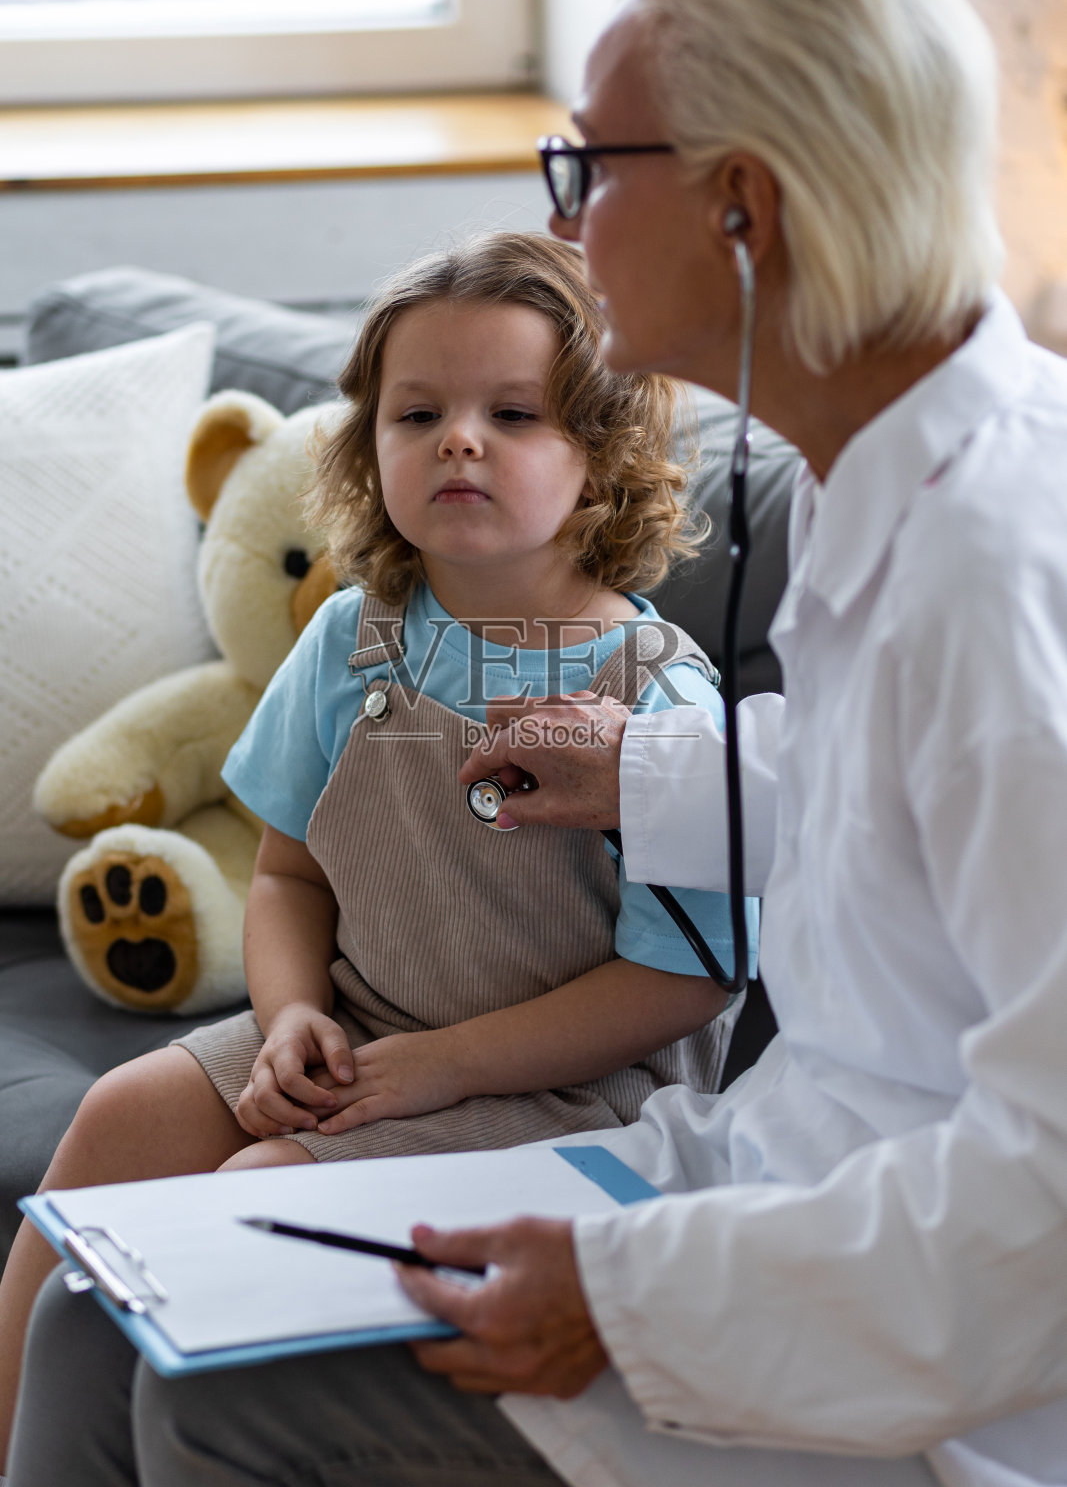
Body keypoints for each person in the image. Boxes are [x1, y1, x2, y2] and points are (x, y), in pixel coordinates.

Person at [7, 0, 1067, 1485]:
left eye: (589, 169)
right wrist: (650, 773)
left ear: (740, 205)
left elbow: (1040, 1195)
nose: (563, 224)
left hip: (886, 1326)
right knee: (104, 1311)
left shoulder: (1000, 565)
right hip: (765, 1178)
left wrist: (627, 1300)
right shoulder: (873, 487)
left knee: (211, 1389)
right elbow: (890, 786)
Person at [0, 231, 756, 1473]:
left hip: (565, 1091)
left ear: (603, 456)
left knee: (256, 1184)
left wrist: (437, 1069)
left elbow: (685, 981)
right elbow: (288, 872)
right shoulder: (352, 636)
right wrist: (289, 1012)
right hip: (360, 1024)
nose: (458, 439)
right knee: (120, 1115)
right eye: (418, 414)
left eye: (511, 412)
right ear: (369, 447)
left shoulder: (657, 696)